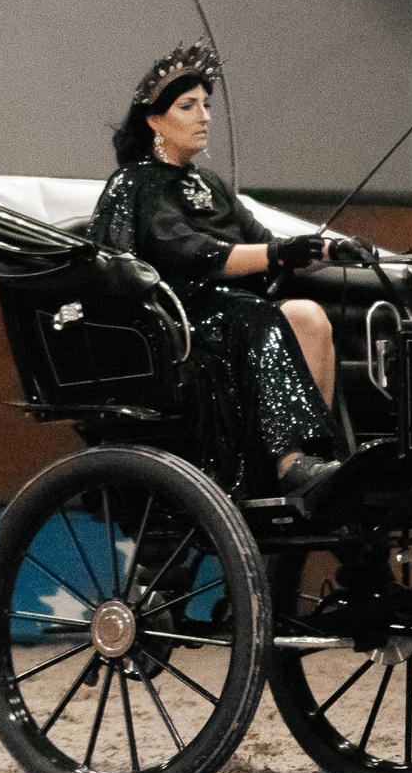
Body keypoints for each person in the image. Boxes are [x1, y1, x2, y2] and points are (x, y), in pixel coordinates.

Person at [90, 43, 345, 498]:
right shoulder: (135, 183)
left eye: (206, 105)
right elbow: (190, 252)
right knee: (257, 318)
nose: (204, 116)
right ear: (155, 120)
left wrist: (330, 250)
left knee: (310, 316)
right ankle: (286, 460)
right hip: (180, 322)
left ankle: (318, 456)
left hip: (233, 309)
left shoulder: (212, 185)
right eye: (188, 106)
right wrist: (281, 253)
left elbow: (263, 242)